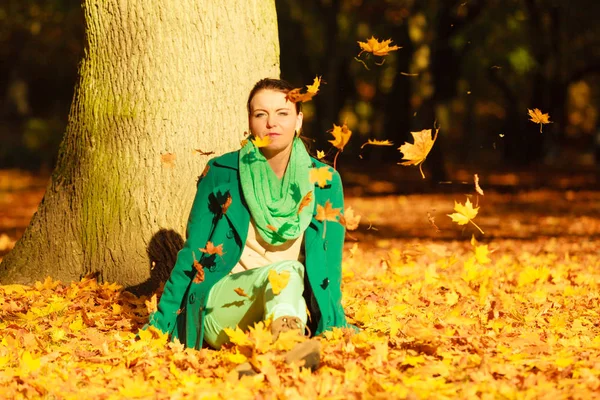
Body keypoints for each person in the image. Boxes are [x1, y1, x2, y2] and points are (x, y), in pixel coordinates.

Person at [146, 78, 350, 370]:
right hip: (224, 307)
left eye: (282, 113)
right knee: (287, 272)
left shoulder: (325, 181)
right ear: (250, 123)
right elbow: (192, 254)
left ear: (299, 120)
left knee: (287, 279)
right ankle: (286, 354)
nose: (271, 123)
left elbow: (330, 265)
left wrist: (333, 322)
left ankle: (268, 361)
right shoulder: (222, 172)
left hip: (286, 309)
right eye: (260, 114)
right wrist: (161, 324)